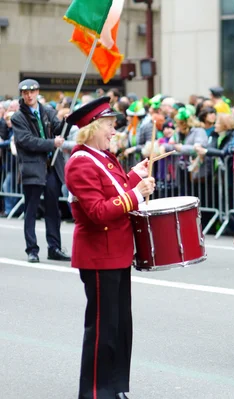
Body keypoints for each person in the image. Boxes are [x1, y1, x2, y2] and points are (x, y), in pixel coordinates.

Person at [64, 97, 156, 399]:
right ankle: (94, 391)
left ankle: (115, 386)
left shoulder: (104, 158)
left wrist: (135, 176)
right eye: (108, 125)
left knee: (120, 326)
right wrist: (137, 195)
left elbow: (114, 191)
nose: (113, 131)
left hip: (116, 251)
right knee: (102, 329)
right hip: (98, 253)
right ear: (91, 128)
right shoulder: (80, 162)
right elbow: (98, 211)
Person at [11, 79, 71, 263]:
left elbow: (60, 130)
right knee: (31, 209)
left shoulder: (48, 111)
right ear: (22, 94)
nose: (29, 95)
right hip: (33, 168)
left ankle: (54, 247)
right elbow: (26, 141)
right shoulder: (17, 117)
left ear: (38, 92)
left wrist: (67, 121)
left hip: (52, 166)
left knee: (53, 210)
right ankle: (32, 249)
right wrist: (51, 143)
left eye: (32, 92)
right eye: (25, 92)